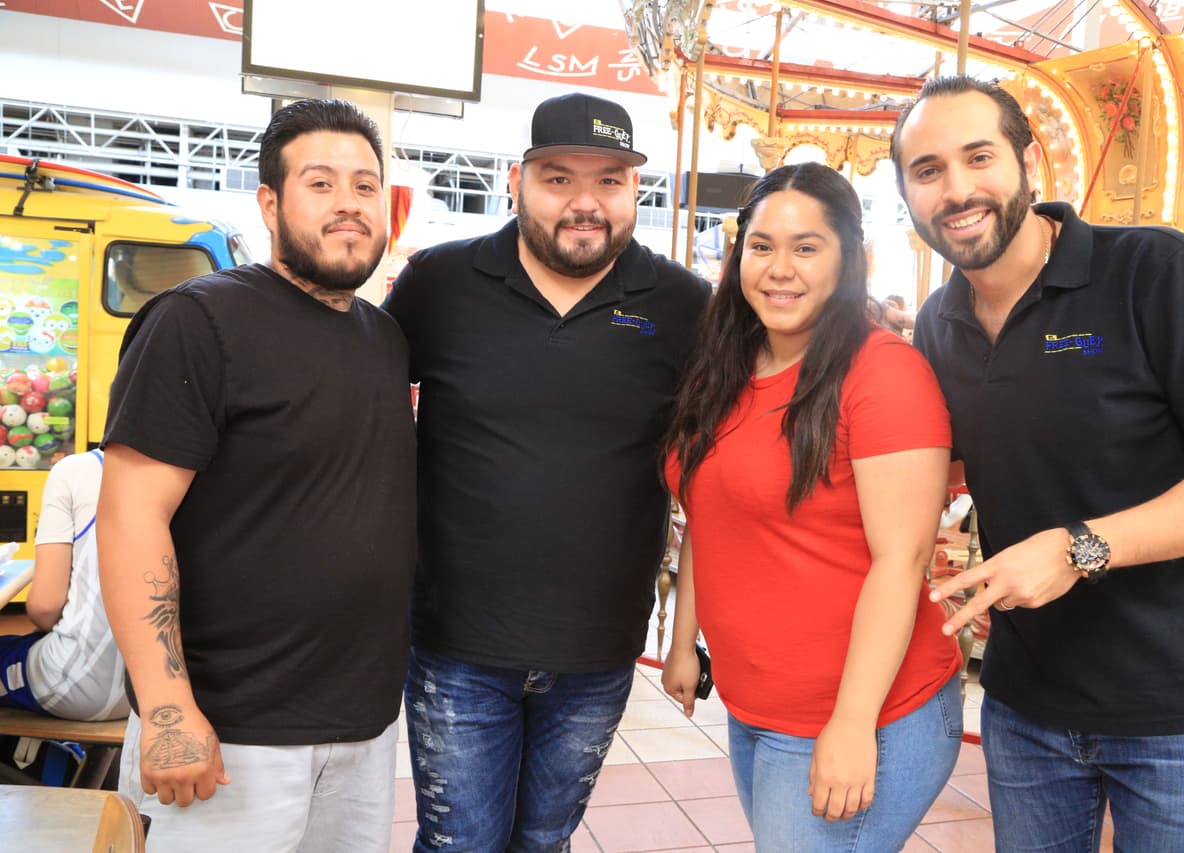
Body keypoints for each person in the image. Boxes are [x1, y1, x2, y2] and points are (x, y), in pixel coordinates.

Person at [898, 76, 1184, 851]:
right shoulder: (938, 323)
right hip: (1025, 702)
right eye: (928, 169)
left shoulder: (1154, 270)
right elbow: (941, 473)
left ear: (1028, 160)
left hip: (1181, 709)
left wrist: (1079, 548)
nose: (958, 189)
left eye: (979, 156)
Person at [383, 92, 709, 851]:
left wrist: (689, 631)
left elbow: (715, 470)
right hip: (456, 642)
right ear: (516, 179)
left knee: (544, 841)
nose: (585, 203)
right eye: (559, 178)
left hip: (598, 649)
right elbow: (359, 410)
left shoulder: (683, 305)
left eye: (610, 181)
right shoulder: (440, 282)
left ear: (636, 190)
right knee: (460, 843)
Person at [97, 98, 416, 853]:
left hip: (362, 726)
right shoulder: (198, 321)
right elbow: (129, 516)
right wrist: (169, 708)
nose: (349, 204)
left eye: (366, 186)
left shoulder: (384, 337)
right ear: (270, 202)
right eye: (321, 183)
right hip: (231, 733)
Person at [661, 162, 963, 851]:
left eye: (806, 247)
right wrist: (685, 642)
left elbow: (903, 556)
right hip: (757, 704)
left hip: (865, 712)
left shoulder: (883, 372)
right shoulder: (727, 368)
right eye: (761, 246)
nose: (779, 269)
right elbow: (712, 517)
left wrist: (853, 723)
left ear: (848, 258)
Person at [0, 450, 126, 720]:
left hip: (75, 682)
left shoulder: (77, 469)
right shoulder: (198, 476)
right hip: (159, 690)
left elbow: (45, 606)